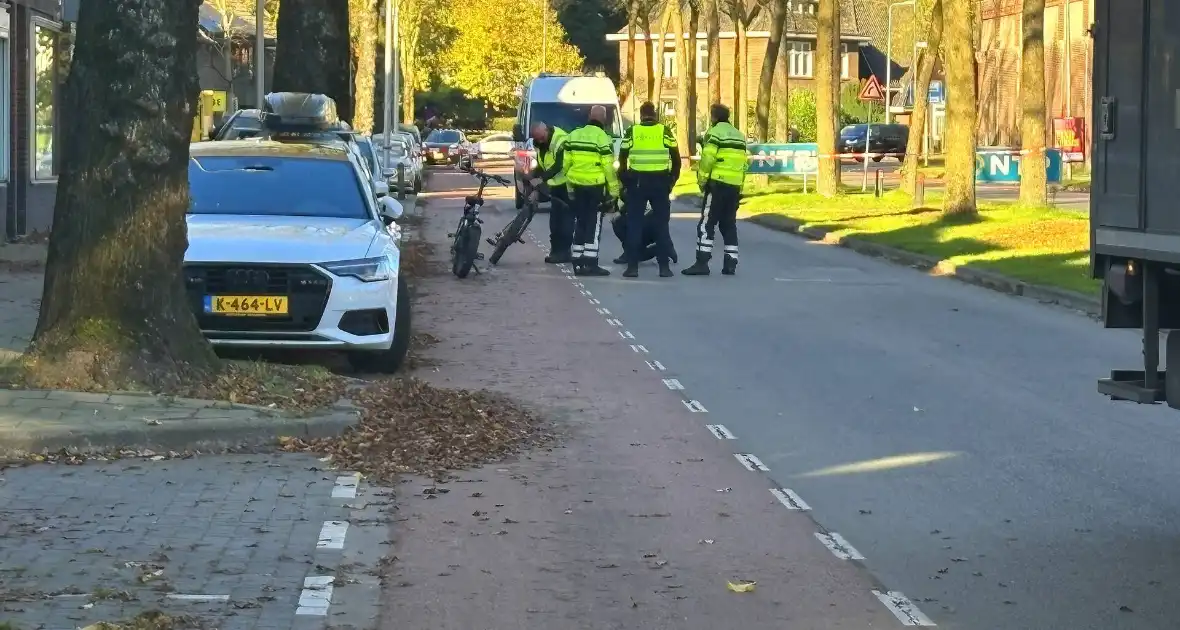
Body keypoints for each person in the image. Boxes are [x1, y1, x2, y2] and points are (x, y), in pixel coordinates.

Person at [683, 103, 748, 276]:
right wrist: (740, 186)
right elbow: (743, 165)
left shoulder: (714, 133)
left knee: (707, 223)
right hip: (734, 186)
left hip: (717, 184)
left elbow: (708, 159)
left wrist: (702, 180)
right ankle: (730, 263)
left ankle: (702, 262)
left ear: (713, 117)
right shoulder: (740, 136)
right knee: (729, 224)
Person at [617, 101, 680, 278]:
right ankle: (664, 268)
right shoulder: (664, 131)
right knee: (661, 225)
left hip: (637, 182)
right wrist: (671, 181)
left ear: (641, 115)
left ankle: (632, 267)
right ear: (654, 114)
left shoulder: (633, 132)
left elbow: (622, 159)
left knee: (634, 224)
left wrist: (626, 180)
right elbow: (676, 159)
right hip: (660, 182)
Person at [559, 105, 620, 277]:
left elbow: (566, 165)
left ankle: (577, 260)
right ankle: (591, 263)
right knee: (594, 224)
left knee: (581, 221)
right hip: (595, 186)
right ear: (603, 119)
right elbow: (608, 168)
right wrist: (614, 191)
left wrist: (569, 187)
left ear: (589, 117)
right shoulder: (603, 138)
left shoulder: (574, 135)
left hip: (577, 185)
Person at [527, 121, 574, 264]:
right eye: (537, 139)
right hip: (555, 186)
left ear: (546, 130)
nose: (540, 141)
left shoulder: (561, 140)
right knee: (554, 221)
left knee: (565, 221)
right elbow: (542, 164)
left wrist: (541, 179)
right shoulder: (540, 143)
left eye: (541, 137)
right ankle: (555, 251)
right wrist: (533, 177)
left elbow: (560, 165)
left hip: (567, 185)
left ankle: (565, 252)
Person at [611, 198, 679, 265]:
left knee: (619, 221)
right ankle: (663, 247)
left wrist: (621, 211)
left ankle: (659, 248)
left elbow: (635, 198)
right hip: (650, 217)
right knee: (618, 220)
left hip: (649, 218)